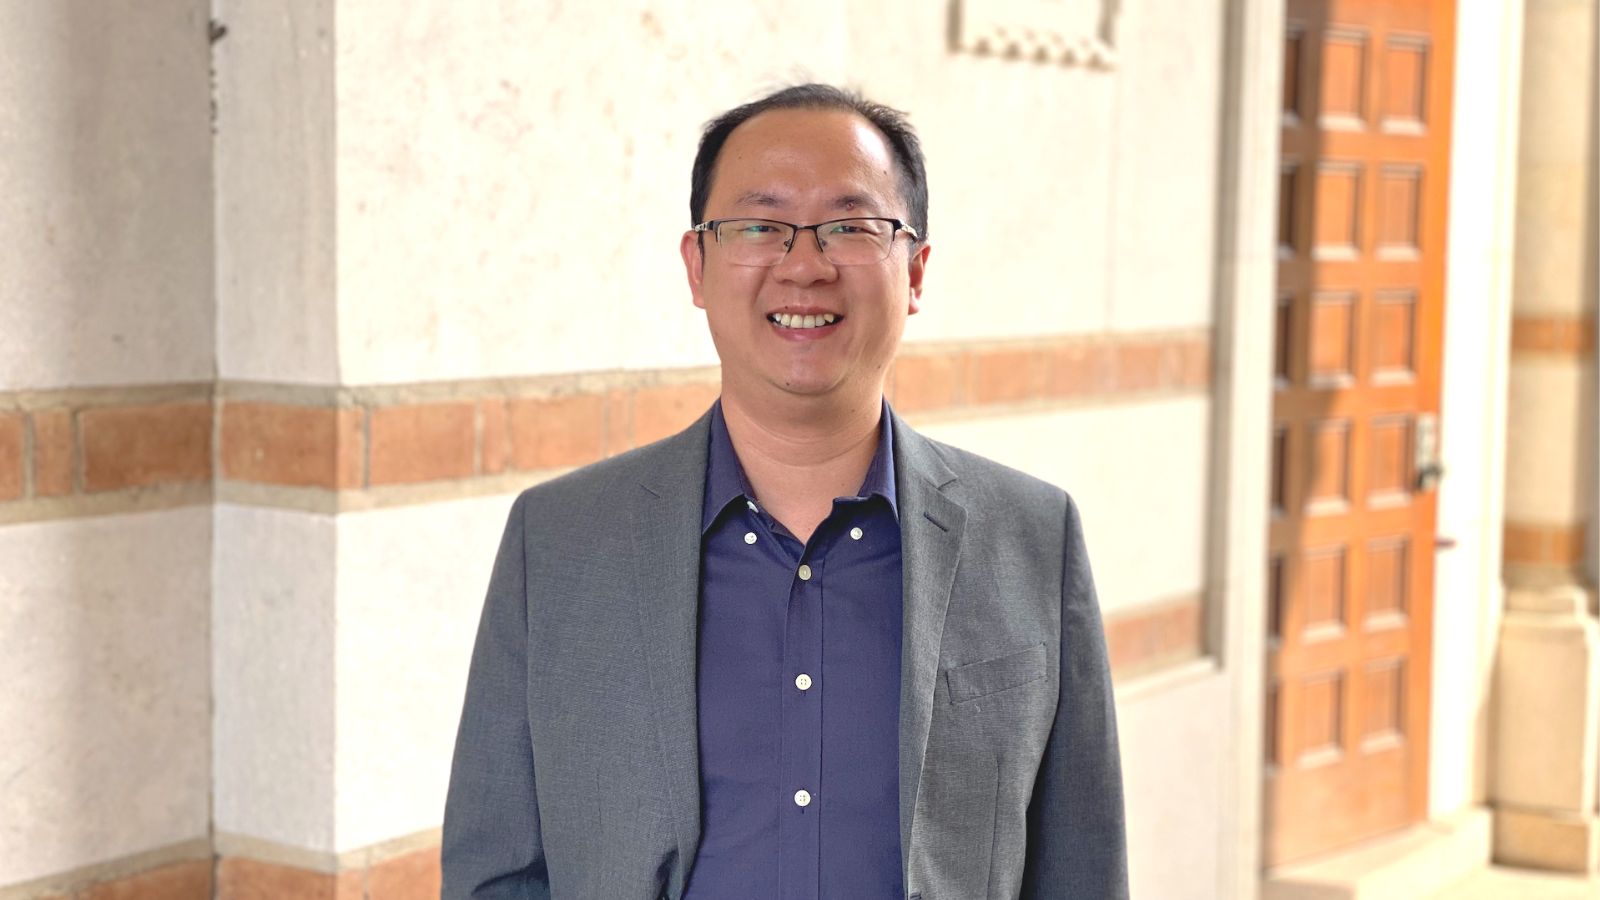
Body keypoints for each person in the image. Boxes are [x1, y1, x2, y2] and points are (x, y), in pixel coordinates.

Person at [442, 83, 1128, 900]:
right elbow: (500, 872)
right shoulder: (559, 540)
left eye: (851, 226)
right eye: (760, 226)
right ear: (697, 267)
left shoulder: (1032, 537)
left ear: (915, 271)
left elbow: (1082, 871)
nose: (805, 266)